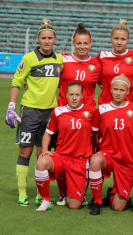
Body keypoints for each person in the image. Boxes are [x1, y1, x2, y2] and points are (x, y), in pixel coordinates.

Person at [5, 18, 63, 206]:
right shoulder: (28, 59)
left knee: (43, 153)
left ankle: (41, 193)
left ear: (55, 39)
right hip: (30, 111)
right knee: (25, 151)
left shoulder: (60, 59)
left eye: (50, 38)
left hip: (50, 113)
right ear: (38, 40)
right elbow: (16, 82)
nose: (47, 41)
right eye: (43, 38)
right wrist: (11, 106)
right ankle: (22, 193)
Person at [55, 23, 102, 206]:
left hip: (86, 118)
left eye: (86, 43)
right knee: (61, 153)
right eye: (79, 43)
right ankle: (62, 193)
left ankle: (80, 192)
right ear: (74, 43)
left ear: (90, 44)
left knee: (86, 156)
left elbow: (105, 87)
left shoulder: (96, 65)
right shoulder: (63, 60)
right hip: (64, 115)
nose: (82, 46)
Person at [88, 74, 133, 215]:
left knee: (118, 207)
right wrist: (94, 150)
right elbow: (94, 133)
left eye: (122, 90)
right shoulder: (102, 109)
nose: (118, 93)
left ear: (127, 92)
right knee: (95, 160)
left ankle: (111, 194)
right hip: (108, 154)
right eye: (115, 89)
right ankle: (97, 202)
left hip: (127, 159)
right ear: (110, 90)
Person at [35, 82, 95, 211]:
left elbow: (97, 131)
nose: (74, 97)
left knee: (74, 206)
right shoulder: (58, 111)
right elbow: (48, 133)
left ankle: (73, 194)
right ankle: (45, 199)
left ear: (82, 96)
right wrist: (45, 150)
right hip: (61, 157)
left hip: (80, 160)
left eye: (77, 94)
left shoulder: (90, 111)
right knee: (41, 162)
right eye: (71, 94)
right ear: (66, 95)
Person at [97, 19, 133, 105]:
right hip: (106, 104)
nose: (119, 42)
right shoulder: (102, 56)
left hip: (129, 104)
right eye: (116, 38)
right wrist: (65, 56)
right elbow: (86, 66)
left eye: (123, 39)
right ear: (111, 38)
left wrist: (132, 86)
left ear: (128, 40)